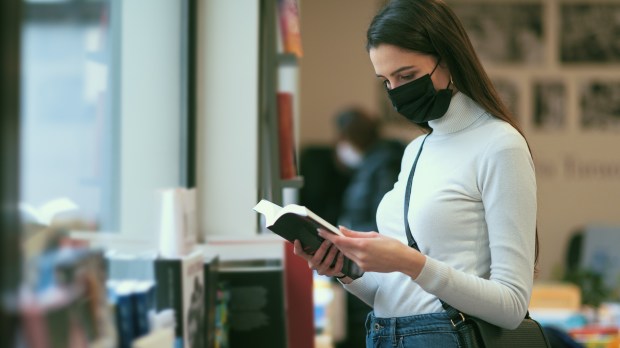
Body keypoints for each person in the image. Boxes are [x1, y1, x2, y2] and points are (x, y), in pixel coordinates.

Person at [293, 0, 540, 347]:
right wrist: (345, 272)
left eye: (407, 76)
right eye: (386, 81)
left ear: (448, 58)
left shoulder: (500, 145)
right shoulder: (416, 150)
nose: (397, 91)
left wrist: (410, 262)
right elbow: (396, 297)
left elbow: (512, 304)